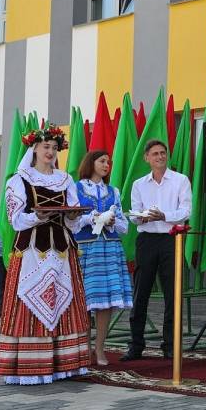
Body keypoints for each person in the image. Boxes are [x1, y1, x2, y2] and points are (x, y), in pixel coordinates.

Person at [0, 126, 91, 384]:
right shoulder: (18, 180)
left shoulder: (65, 179)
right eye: (45, 147)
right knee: (30, 298)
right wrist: (36, 216)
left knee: (64, 299)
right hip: (30, 250)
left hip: (62, 249)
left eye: (53, 147)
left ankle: (65, 364)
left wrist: (73, 216)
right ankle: (31, 366)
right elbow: (15, 220)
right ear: (34, 148)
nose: (50, 152)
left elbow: (72, 222)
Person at [122, 140, 191, 361]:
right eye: (155, 154)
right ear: (146, 158)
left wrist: (164, 216)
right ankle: (136, 345)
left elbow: (186, 210)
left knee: (173, 293)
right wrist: (144, 216)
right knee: (140, 292)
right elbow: (134, 215)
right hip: (147, 240)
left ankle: (170, 345)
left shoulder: (180, 180)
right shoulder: (139, 184)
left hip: (172, 240)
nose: (160, 157)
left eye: (163, 153)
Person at [74, 150, 133, 366]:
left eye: (108, 161)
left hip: (109, 249)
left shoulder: (113, 191)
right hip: (86, 249)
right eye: (102, 161)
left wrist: (111, 222)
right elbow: (71, 220)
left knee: (105, 302)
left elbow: (124, 225)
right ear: (91, 163)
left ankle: (99, 348)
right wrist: (92, 218)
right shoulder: (77, 187)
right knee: (82, 301)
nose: (107, 164)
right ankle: (82, 347)